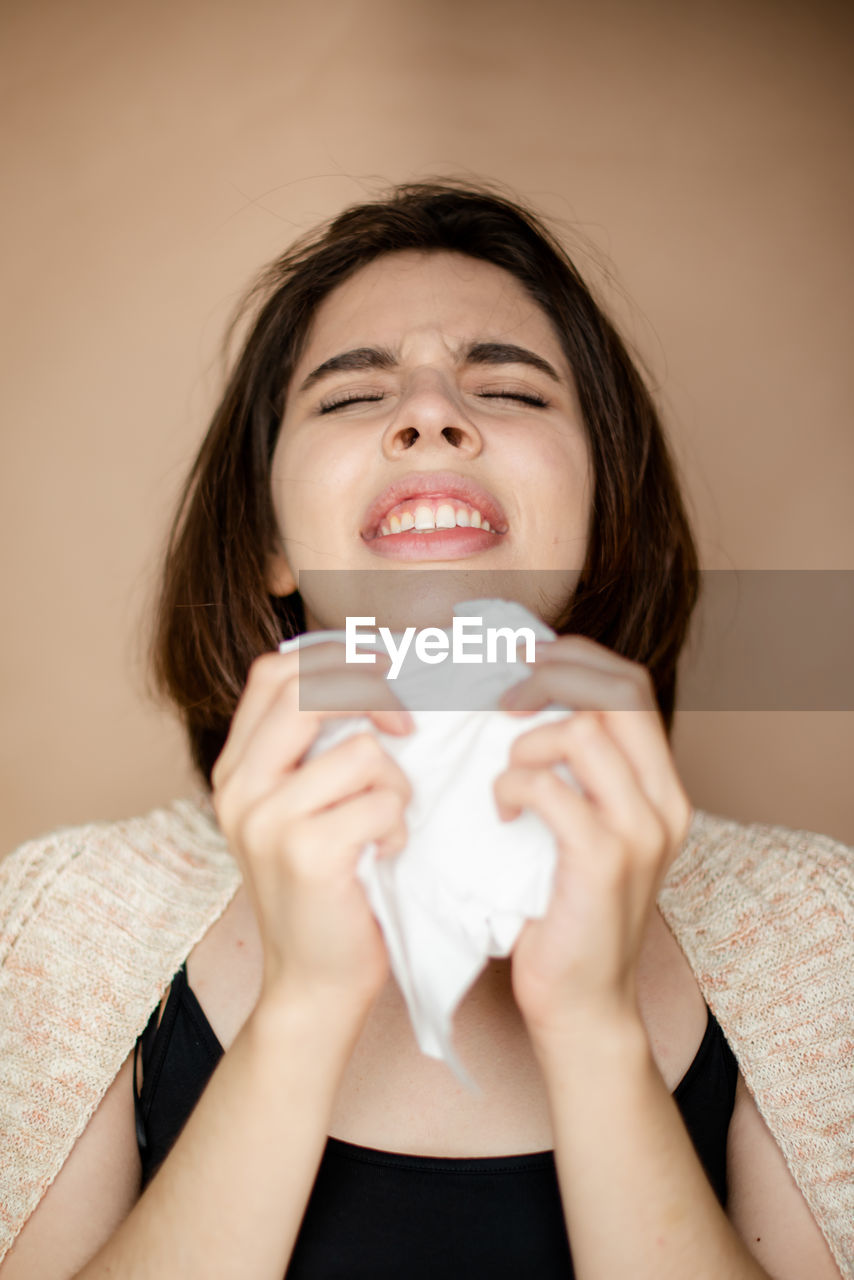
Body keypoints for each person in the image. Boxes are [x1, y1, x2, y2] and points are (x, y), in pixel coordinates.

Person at [0, 182, 851, 1280]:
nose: (432, 412)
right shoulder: (63, 918)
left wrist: (591, 1026)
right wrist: (303, 1004)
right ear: (271, 544)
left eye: (507, 387)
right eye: (353, 397)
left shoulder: (813, 930)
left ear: (598, 523)